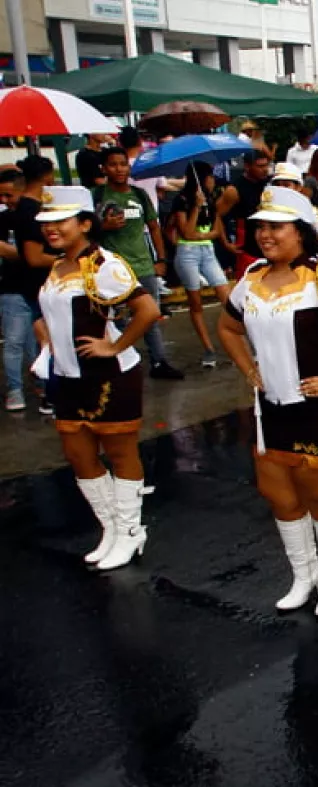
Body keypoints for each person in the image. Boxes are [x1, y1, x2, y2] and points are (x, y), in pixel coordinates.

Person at [216, 187, 318, 616]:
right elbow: (228, 328)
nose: (265, 235)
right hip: (271, 406)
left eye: (276, 227)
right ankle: (304, 574)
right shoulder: (251, 278)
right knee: (278, 494)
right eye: (260, 227)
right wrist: (248, 370)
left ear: (302, 232)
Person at [33, 186, 163, 571]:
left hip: (109, 375)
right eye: (46, 223)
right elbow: (47, 317)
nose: (52, 228)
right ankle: (110, 528)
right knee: (78, 455)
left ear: (85, 224)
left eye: (61, 221)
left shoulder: (104, 263)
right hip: (68, 375)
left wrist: (114, 344)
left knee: (121, 453)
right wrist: (47, 347)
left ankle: (130, 529)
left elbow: (148, 309)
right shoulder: (57, 266)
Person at [97, 146, 184, 380]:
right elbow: (84, 232)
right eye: (113, 164)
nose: (119, 169)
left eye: (123, 164)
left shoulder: (139, 195)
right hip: (113, 271)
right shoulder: (97, 196)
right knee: (120, 320)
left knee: (151, 317)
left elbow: (154, 228)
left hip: (144, 266)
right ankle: (126, 363)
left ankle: (159, 362)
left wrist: (161, 259)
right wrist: (103, 227)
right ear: (104, 168)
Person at [169, 162, 229, 368]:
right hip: (187, 254)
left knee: (226, 297)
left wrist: (200, 234)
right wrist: (196, 206)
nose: (213, 181)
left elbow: (216, 230)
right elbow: (186, 231)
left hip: (207, 250)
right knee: (195, 303)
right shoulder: (182, 201)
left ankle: (236, 338)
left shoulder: (211, 201)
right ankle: (208, 348)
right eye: (210, 177)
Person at [1, 167, 43, 412]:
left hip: (36, 286)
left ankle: (40, 383)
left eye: (9, 196)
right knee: (15, 342)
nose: (5, 202)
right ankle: (15, 390)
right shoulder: (4, 218)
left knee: (36, 342)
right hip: (12, 288)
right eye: (1, 197)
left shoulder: (34, 214)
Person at [215, 150, 273, 278]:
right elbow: (216, 215)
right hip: (248, 247)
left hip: (270, 243)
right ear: (247, 166)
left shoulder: (270, 184)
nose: (265, 170)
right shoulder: (234, 189)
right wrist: (226, 243)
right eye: (260, 166)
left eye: (266, 165)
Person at [270, 162, 318, 259]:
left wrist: (311, 265)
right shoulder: (268, 212)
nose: (281, 189)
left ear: (298, 187)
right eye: (277, 185)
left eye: (286, 185)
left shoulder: (310, 212)